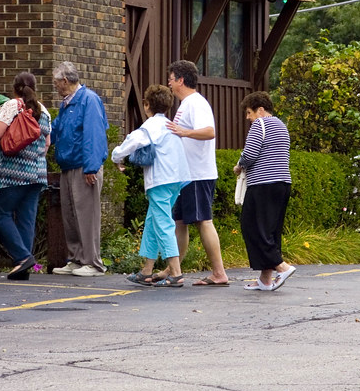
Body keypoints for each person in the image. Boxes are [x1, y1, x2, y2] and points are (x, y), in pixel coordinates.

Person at [111, 84, 191, 287]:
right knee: (153, 221)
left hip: (160, 181)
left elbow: (132, 141)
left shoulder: (151, 126)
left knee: (163, 223)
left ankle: (176, 273)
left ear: (146, 105)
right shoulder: (169, 125)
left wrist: (116, 156)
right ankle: (147, 270)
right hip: (176, 178)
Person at [166, 60, 229, 287]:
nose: (169, 84)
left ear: (181, 80)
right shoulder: (186, 104)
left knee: (203, 220)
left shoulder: (195, 103)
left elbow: (209, 132)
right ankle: (174, 269)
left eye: (171, 79)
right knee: (180, 221)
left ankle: (219, 273)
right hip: (185, 174)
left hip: (197, 174)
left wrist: (185, 132)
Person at [0, 72, 52, 281]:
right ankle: (22, 266)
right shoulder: (44, 111)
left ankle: (22, 256)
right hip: (37, 174)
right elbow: (47, 144)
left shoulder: (12, 106)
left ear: (15, 88)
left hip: (12, 174)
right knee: (26, 218)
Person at [50, 61, 109, 277]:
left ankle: (93, 262)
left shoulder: (88, 100)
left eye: (56, 83)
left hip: (84, 167)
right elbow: (55, 129)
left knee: (87, 215)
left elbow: (94, 135)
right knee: (71, 215)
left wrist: (91, 167)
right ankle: (76, 258)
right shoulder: (67, 103)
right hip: (69, 165)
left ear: (65, 81)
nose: (55, 87)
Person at [234, 91, 296, 291]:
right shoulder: (281, 125)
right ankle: (265, 280)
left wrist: (239, 166)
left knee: (252, 227)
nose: (248, 118)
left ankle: (282, 267)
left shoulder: (260, 124)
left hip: (263, 184)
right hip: (282, 184)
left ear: (261, 110)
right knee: (270, 231)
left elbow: (250, 154)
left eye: (249, 112)